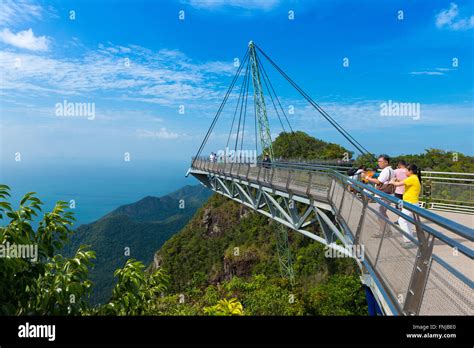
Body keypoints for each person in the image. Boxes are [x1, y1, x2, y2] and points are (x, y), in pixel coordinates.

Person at [390, 164, 422, 248]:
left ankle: (408, 241)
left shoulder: (412, 178)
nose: (405, 172)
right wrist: (397, 181)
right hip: (411, 203)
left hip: (410, 204)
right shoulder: (414, 178)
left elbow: (397, 184)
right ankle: (410, 240)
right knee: (408, 222)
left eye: (407, 170)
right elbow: (402, 182)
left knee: (401, 221)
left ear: (410, 171)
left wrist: (392, 181)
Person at [361, 154, 395, 232]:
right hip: (387, 194)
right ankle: (387, 230)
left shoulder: (386, 171)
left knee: (380, 215)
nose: (378, 163)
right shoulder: (391, 170)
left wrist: (366, 177)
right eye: (378, 161)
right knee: (382, 214)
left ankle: (383, 231)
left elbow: (378, 181)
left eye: (380, 161)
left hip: (382, 195)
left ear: (386, 162)